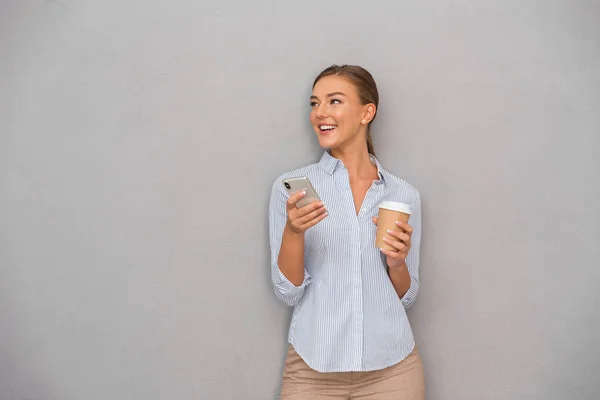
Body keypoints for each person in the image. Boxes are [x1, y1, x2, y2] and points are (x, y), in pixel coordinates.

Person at [268, 65, 424, 400]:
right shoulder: (295, 188)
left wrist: (397, 264)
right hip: (313, 368)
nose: (319, 113)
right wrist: (294, 232)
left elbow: (406, 298)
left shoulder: (402, 195)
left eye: (334, 101)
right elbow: (288, 293)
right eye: (314, 103)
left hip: (393, 369)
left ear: (367, 112)